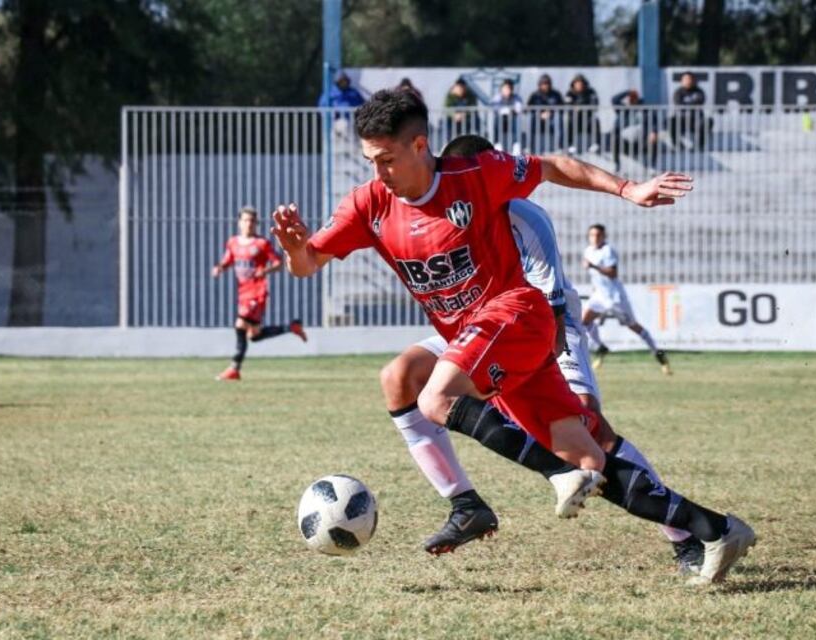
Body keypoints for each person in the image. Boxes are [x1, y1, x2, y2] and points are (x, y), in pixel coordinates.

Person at [271, 89, 755, 585]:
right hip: (479, 341)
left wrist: (628, 189)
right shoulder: (369, 204)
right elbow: (309, 264)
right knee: (589, 456)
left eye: (387, 159)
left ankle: (548, 478)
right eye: (370, 161)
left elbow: (554, 167)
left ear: (420, 147)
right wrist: (294, 249)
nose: (379, 173)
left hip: (519, 315)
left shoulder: (476, 175)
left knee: (436, 396)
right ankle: (715, 528)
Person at [380, 133, 707, 573]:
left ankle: (685, 536)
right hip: (476, 328)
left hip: (542, 324)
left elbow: (547, 302)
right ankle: (465, 505)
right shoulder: (440, 212)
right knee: (400, 376)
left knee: (591, 434)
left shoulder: (521, 213)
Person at [211, 207, 307, 381]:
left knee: (240, 325)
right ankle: (291, 327)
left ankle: (234, 369)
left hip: (257, 293)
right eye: (246, 220)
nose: (249, 224)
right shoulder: (233, 242)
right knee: (253, 336)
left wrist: (265, 271)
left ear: (256, 224)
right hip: (243, 292)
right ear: (240, 223)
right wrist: (219, 268)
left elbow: (278, 263)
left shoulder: (262, 244)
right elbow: (228, 260)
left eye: (252, 221)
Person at [582, 224, 671, 375]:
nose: (595, 238)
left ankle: (659, 354)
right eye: (592, 235)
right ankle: (601, 347)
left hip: (615, 298)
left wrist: (594, 266)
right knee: (583, 321)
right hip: (599, 296)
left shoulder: (607, 250)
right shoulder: (588, 251)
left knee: (633, 326)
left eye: (598, 235)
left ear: (604, 236)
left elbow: (613, 273)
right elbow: (595, 277)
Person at [610, 89, 660, 170]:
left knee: (653, 140)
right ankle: (617, 164)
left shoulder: (645, 109)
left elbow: (654, 122)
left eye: (633, 98)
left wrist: (654, 132)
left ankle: (652, 166)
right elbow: (614, 99)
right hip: (626, 144)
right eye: (630, 98)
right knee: (615, 139)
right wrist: (628, 92)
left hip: (641, 142)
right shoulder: (622, 109)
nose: (631, 100)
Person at [670, 72, 710, 150]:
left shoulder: (699, 91)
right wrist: (691, 105)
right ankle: (677, 144)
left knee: (707, 121)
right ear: (682, 81)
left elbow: (700, 102)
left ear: (694, 80)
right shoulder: (678, 92)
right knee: (670, 121)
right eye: (686, 79)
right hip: (681, 120)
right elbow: (678, 104)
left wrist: (686, 105)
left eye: (690, 79)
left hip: (696, 120)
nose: (688, 81)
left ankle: (699, 145)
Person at [527, 74, 565, 153]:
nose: (545, 85)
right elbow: (528, 108)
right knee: (530, 118)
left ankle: (559, 147)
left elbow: (562, 107)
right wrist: (539, 115)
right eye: (543, 83)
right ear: (540, 84)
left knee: (558, 118)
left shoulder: (556, 94)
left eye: (547, 83)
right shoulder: (534, 95)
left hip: (552, 119)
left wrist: (551, 113)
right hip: (538, 119)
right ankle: (529, 147)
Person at [565, 73, 601, 154]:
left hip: (587, 118)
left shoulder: (591, 92)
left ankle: (595, 144)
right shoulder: (570, 93)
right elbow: (568, 105)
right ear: (573, 84)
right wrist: (574, 108)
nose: (579, 85)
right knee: (569, 121)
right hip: (575, 119)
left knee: (595, 120)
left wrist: (582, 107)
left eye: (581, 83)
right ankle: (570, 145)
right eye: (577, 83)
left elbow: (595, 104)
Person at [491, 79, 524, 154]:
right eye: (505, 88)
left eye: (509, 88)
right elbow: (494, 107)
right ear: (502, 89)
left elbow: (519, 108)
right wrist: (505, 110)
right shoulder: (497, 97)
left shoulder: (516, 97)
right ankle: (497, 143)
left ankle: (516, 145)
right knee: (496, 120)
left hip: (512, 121)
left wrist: (511, 111)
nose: (507, 90)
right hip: (501, 121)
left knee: (517, 121)